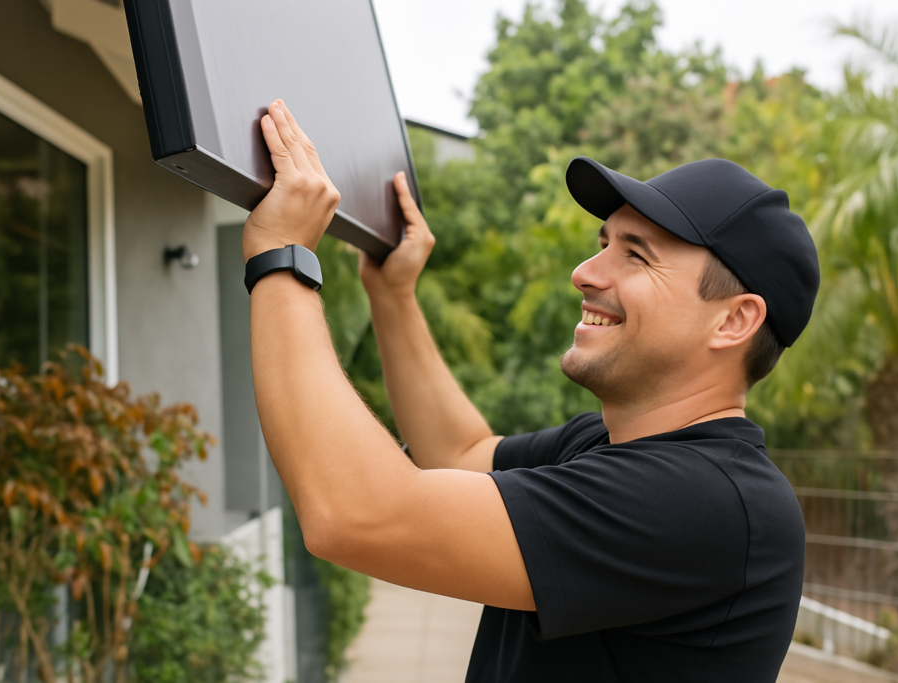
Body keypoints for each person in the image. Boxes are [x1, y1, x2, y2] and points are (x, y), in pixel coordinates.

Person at [244, 100, 819, 682]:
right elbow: (462, 456)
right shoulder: (608, 447)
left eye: (636, 256)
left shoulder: (708, 503)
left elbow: (356, 513)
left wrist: (281, 256)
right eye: (603, 244)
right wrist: (394, 298)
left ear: (734, 321)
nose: (585, 272)